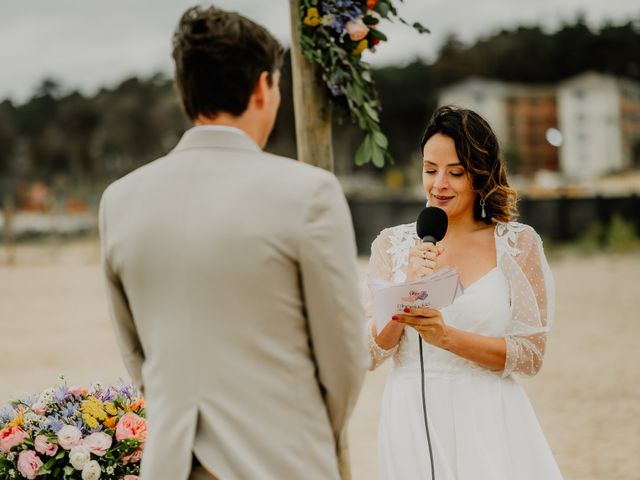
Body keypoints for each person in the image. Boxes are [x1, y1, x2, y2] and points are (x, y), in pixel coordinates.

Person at [99, 6, 368, 480]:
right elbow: (344, 361)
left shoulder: (118, 202)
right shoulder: (310, 194)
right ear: (264, 86)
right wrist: (298, 436)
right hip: (283, 461)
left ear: (185, 90)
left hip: (172, 465)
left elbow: (136, 354)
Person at [366, 105, 563, 479]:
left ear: (480, 173)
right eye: (429, 169)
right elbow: (372, 351)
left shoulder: (519, 245)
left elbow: (530, 355)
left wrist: (445, 336)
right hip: (412, 416)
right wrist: (404, 290)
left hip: (490, 415)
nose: (439, 184)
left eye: (455, 172)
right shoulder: (391, 245)